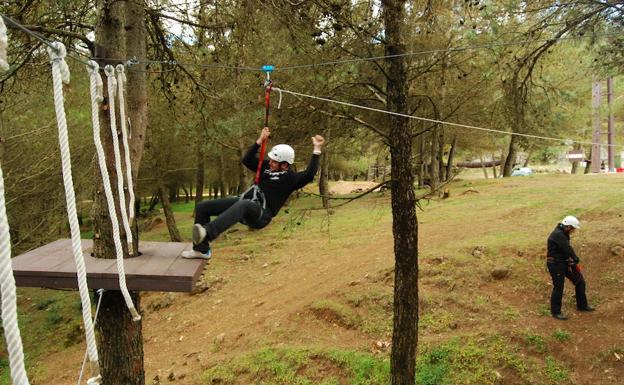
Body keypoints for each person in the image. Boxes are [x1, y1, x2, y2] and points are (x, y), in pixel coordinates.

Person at [181, 127, 325, 259]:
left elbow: (309, 174)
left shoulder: (291, 178)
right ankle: (201, 249)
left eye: (275, 161)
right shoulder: (266, 168)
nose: (270, 163)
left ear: (285, 164)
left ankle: (207, 232)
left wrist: (316, 149)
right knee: (203, 207)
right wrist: (259, 141)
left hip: (261, 215)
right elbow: (247, 160)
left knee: (244, 204)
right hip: (245, 204)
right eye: (271, 160)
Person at [546, 215, 595, 320]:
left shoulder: (563, 232)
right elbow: (567, 248)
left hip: (564, 262)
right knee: (558, 287)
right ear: (568, 226)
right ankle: (556, 312)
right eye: (573, 229)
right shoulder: (558, 234)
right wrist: (575, 258)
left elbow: (564, 250)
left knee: (580, 281)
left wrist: (570, 261)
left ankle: (582, 305)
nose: (573, 231)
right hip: (555, 265)